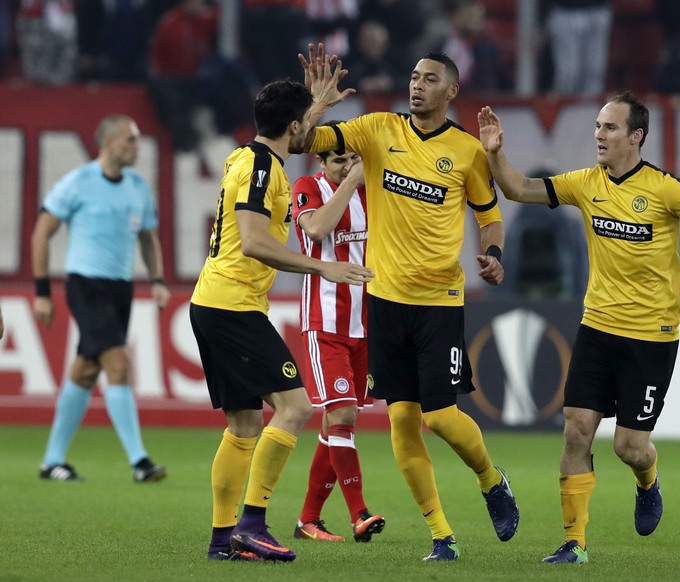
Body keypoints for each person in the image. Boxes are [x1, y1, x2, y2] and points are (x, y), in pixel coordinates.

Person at [478, 91, 680, 565]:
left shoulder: (664, 188)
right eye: (597, 125)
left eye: (610, 128)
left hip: (651, 336)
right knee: (576, 430)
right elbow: (519, 189)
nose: (599, 134)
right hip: (597, 328)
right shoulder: (584, 183)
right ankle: (575, 543)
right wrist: (495, 154)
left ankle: (648, 479)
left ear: (636, 137)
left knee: (629, 446)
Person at [302, 50, 519, 561]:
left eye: (430, 79)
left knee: (441, 417)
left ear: (451, 92)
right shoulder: (377, 129)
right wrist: (315, 104)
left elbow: (490, 217)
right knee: (402, 421)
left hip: (439, 303)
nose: (417, 85)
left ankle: (491, 480)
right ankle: (441, 534)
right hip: (385, 301)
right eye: (414, 76)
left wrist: (492, 253)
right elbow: (302, 141)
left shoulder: (466, 152)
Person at [190, 46, 373, 562]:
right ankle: (253, 524)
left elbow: (287, 131)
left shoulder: (247, 155)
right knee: (295, 407)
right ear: (294, 130)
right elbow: (252, 241)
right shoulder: (265, 171)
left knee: (245, 426)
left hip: (214, 302)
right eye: (306, 129)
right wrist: (321, 266)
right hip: (233, 306)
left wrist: (311, 106)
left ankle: (223, 540)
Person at [32, 114, 170, 483]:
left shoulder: (138, 187)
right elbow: (41, 233)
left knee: (86, 370)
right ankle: (140, 462)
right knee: (118, 364)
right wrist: (42, 292)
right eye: (129, 140)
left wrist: (156, 279)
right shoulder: (77, 183)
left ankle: (51, 461)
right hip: (85, 285)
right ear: (108, 143)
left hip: (120, 288)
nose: (136, 148)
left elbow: (147, 237)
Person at [290, 123, 384, 543]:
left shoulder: (373, 193)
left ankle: (308, 519)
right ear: (322, 160)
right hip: (324, 323)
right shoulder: (307, 186)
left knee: (337, 425)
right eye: (339, 158)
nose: (348, 164)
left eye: (352, 158)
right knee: (341, 416)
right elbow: (316, 229)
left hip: (365, 326)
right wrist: (350, 182)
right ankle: (359, 513)